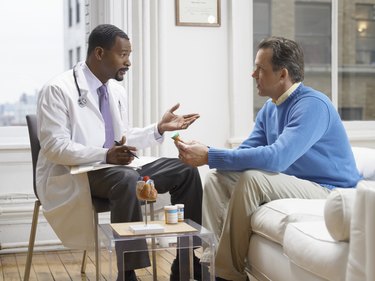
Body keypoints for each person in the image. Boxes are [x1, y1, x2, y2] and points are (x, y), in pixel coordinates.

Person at [175, 36, 361, 281]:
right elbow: (246, 151)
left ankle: (228, 275)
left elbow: (277, 159)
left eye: (260, 69)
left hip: (330, 190)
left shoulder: (312, 105)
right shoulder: (270, 108)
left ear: (282, 74)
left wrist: (209, 155)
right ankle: (209, 264)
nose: (253, 75)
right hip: (296, 182)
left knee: (253, 179)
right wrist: (206, 152)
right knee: (217, 178)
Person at [36, 24, 203, 281]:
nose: (129, 62)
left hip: (113, 169)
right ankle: (128, 273)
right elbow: (55, 148)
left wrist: (159, 128)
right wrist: (105, 156)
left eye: (129, 54)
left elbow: (121, 137)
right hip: (78, 173)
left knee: (185, 169)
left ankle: (185, 260)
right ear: (99, 53)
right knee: (127, 180)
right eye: (123, 55)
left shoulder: (115, 90)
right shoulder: (57, 90)